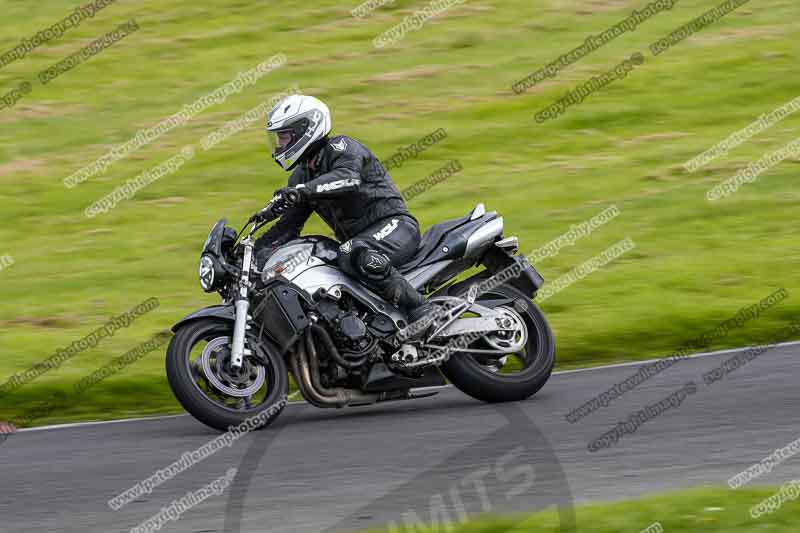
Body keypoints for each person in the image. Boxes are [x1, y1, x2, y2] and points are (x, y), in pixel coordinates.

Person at [256, 94, 427, 317]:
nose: (279, 145)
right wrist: (250, 253)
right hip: (360, 242)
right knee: (326, 264)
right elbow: (287, 228)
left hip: (395, 226)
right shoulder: (301, 176)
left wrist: (302, 191)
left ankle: (422, 309)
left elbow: (348, 178)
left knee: (349, 252)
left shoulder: (341, 147)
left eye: (284, 137)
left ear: (306, 129)